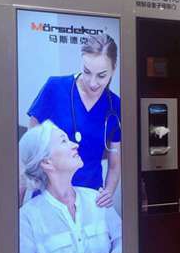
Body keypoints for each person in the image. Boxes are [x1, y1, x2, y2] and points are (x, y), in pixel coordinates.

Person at [18, 120, 123, 253]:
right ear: (47, 162)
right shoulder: (28, 218)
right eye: (64, 141)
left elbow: (126, 242)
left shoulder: (97, 199)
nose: (75, 144)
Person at [25, 34, 121, 208]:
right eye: (87, 72)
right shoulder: (55, 88)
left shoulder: (115, 105)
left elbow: (114, 165)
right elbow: (29, 152)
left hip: (90, 200)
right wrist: (17, 205)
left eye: (101, 75)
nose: (92, 83)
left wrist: (108, 192)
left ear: (114, 69)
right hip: (49, 198)